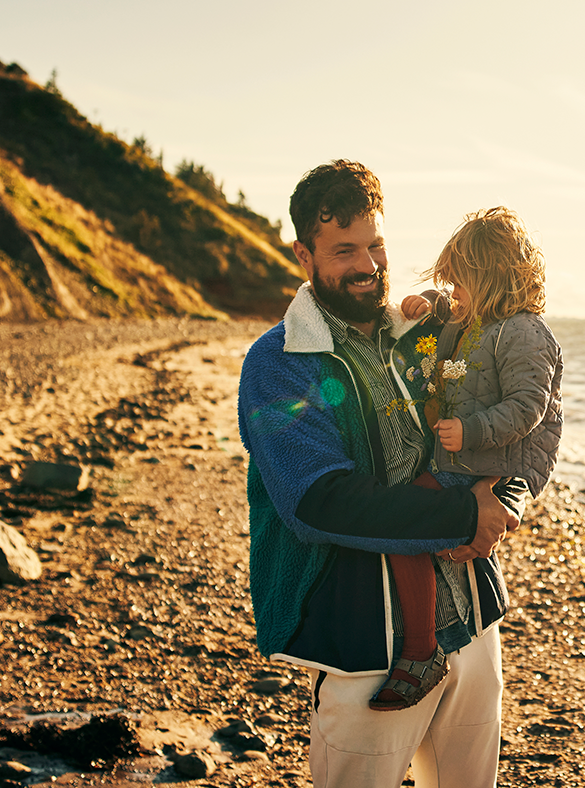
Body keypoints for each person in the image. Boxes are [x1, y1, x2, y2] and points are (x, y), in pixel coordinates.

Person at [239, 160, 527, 788]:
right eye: (344, 250)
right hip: (364, 643)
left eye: (376, 245)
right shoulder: (280, 362)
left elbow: (514, 422)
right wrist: (463, 514)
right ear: (303, 256)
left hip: (473, 617)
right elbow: (319, 501)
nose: (367, 263)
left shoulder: (429, 335)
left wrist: (508, 501)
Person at [373, 206, 563, 710]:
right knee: (417, 528)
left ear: (492, 278)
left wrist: (471, 430)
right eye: (449, 284)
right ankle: (437, 630)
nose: (452, 293)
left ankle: (421, 650)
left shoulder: (523, 332)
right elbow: (446, 333)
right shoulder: (471, 323)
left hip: (496, 465)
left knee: (406, 526)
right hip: (465, 462)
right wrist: (428, 302)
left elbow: (529, 406)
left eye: (459, 283)